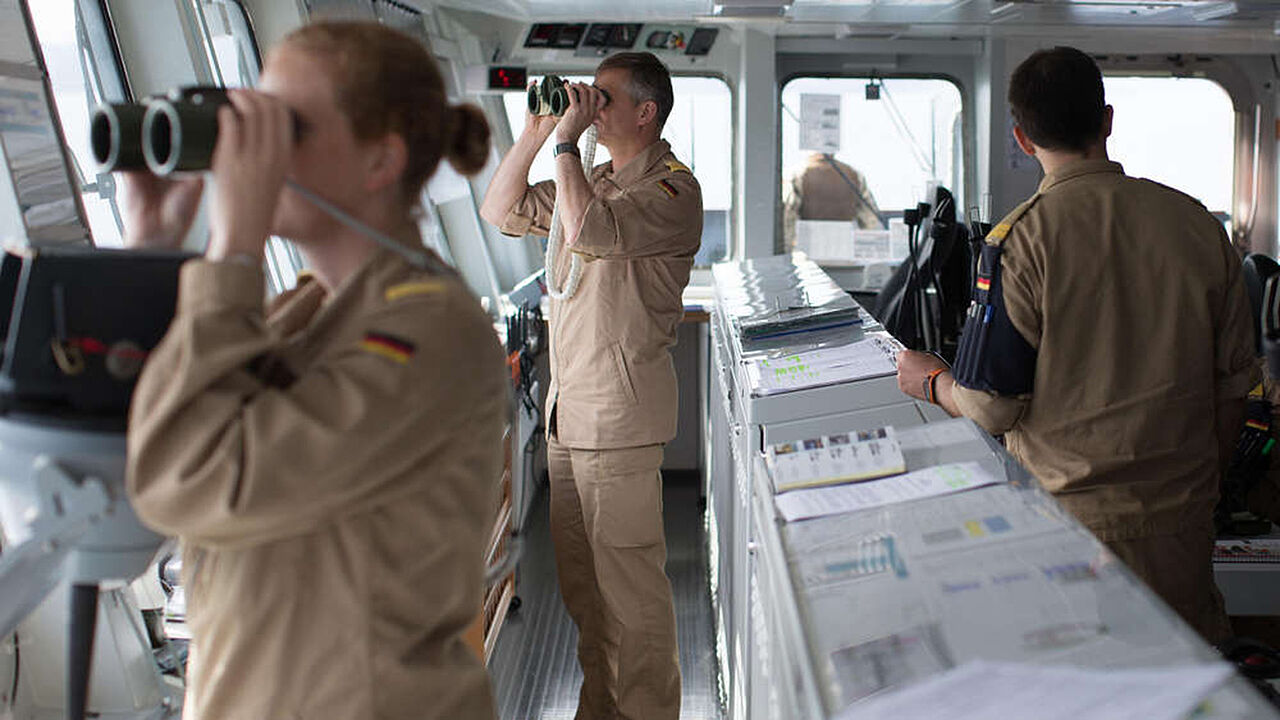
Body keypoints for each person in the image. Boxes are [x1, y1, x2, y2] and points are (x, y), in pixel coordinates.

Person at [122, 21, 505, 720]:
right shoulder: (306, 311)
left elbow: (188, 474)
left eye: (284, 127)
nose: (253, 151)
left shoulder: (433, 333)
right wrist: (149, 255)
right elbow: (141, 439)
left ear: (379, 161)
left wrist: (233, 247)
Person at [895, 46, 1255, 643]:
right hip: (1181, 523)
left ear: (1022, 138)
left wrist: (931, 381)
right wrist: (1195, 492)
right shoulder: (1197, 224)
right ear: (1107, 121)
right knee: (1185, 678)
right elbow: (1234, 388)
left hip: (1072, 526)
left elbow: (991, 408)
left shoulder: (1021, 240)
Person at [479, 52, 701, 720]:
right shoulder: (594, 177)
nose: (592, 108)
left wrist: (568, 146)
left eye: (604, 98)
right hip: (570, 416)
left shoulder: (673, 190)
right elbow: (499, 207)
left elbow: (588, 232)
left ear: (646, 111)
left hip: (620, 420)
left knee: (631, 599)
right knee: (586, 596)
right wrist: (539, 131)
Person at [782, 151, 882, 250]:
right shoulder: (853, 174)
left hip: (808, 250)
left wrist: (787, 250)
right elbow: (871, 223)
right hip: (845, 250)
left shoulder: (795, 174)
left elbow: (787, 219)